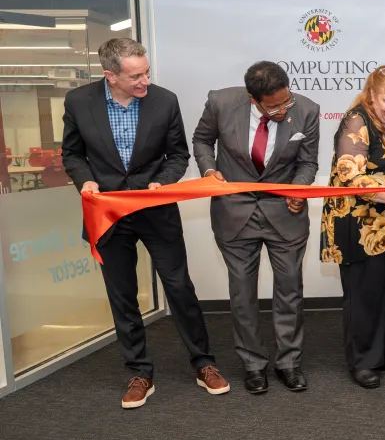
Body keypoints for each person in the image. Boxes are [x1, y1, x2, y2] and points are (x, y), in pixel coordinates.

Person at [61, 38, 229, 408]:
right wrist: (85, 181)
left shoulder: (164, 100)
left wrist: (163, 182)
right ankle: (139, 372)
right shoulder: (78, 102)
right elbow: (72, 154)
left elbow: (178, 155)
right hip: (108, 213)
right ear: (111, 76)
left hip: (155, 210)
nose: (145, 81)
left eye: (147, 72)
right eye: (136, 76)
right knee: (122, 295)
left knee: (179, 287)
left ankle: (204, 363)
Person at [192, 61, 320, 394]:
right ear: (253, 99)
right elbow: (202, 140)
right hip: (235, 212)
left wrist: (298, 189)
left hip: (285, 214)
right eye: (274, 106)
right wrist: (208, 170)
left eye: (286, 101)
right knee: (242, 294)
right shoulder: (220, 103)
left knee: (290, 291)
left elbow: (307, 162)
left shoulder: (307, 110)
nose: (283, 109)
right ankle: (253, 364)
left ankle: (289, 363)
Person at [321, 66, 385, 389]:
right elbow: (352, 178)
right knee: (363, 295)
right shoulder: (356, 121)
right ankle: (363, 360)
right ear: (371, 96)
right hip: (359, 220)